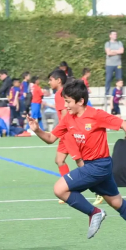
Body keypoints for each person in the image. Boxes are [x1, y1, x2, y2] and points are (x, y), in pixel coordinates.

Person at [26, 79, 126, 250]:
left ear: (80, 101)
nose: (65, 105)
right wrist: (37, 130)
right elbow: (50, 138)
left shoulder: (96, 115)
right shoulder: (68, 119)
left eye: (68, 102)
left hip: (100, 165)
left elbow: (124, 124)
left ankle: (94, 212)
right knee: (116, 202)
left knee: (59, 189)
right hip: (93, 166)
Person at [50, 70, 84, 200]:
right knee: (59, 160)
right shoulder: (61, 93)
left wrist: (58, 131)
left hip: (68, 133)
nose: (49, 82)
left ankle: (100, 189)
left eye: (51, 80)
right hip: (65, 133)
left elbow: (65, 114)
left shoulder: (60, 94)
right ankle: (68, 189)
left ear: (58, 80)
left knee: (80, 162)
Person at [105, 30, 124, 95]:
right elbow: (108, 53)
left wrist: (113, 51)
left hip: (118, 64)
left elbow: (121, 51)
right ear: (110, 36)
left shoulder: (119, 43)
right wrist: (117, 51)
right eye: (114, 34)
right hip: (109, 65)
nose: (115, 35)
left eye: (116, 34)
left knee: (119, 79)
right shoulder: (108, 43)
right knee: (108, 79)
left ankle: (119, 94)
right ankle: (107, 94)